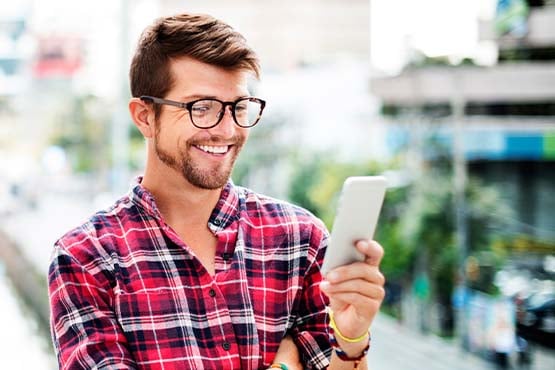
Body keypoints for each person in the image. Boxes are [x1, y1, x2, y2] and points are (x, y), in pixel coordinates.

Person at [48, 13, 385, 370]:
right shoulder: (85, 258)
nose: (226, 130)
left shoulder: (300, 239)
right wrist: (285, 365)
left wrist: (351, 336)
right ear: (145, 117)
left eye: (239, 107)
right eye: (202, 108)